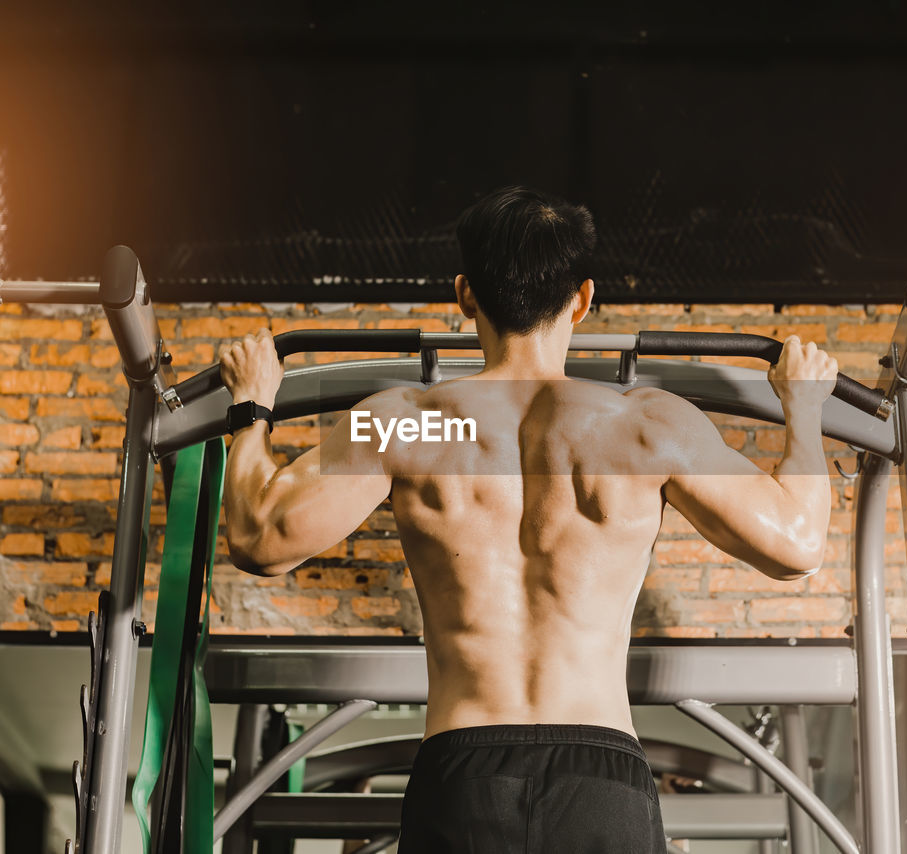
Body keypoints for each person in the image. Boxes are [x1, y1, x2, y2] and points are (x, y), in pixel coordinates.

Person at [219, 186, 839, 853]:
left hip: (462, 776)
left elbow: (259, 536)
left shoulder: (407, 420)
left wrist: (252, 407)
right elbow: (797, 545)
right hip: (602, 781)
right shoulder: (647, 426)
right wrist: (803, 410)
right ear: (582, 298)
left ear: (464, 294)